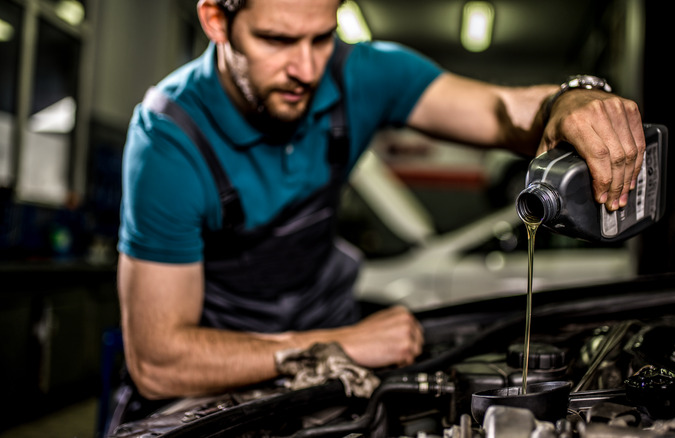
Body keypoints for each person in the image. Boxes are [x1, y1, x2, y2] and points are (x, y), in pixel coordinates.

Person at [112, 0, 645, 427]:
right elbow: (160, 360)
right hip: (219, 359)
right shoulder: (168, 140)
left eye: (322, 36)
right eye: (276, 39)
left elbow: (502, 112)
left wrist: (569, 101)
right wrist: (337, 346)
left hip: (324, 313)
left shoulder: (361, 73)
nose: (305, 68)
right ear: (216, 21)